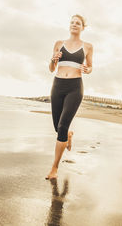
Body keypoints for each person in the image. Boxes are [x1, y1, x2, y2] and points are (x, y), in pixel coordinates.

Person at [45, 14, 93, 180]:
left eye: (78, 23)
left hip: (75, 87)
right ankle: (69, 136)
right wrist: (53, 59)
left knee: (62, 127)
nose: (74, 25)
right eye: (72, 22)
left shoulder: (87, 46)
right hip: (57, 85)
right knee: (57, 128)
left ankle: (54, 168)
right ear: (69, 25)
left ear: (82, 27)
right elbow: (52, 68)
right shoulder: (59, 44)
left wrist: (88, 69)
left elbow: (90, 67)